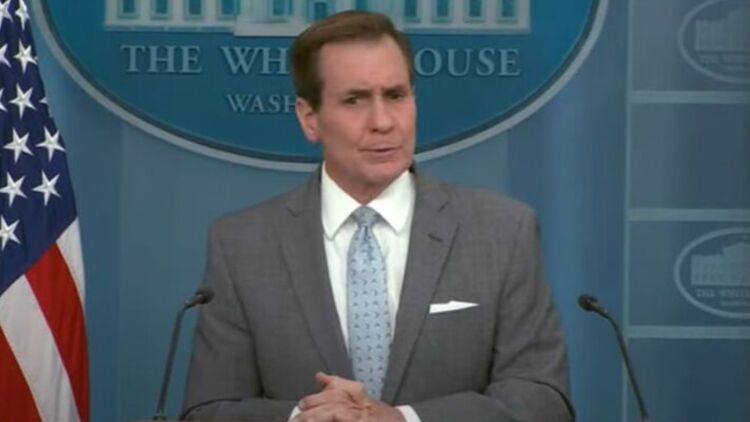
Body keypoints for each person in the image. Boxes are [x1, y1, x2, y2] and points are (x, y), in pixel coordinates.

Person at [182, 10, 572, 422]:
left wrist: (404, 419)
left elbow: (542, 400)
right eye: (355, 100)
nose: (383, 122)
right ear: (309, 118)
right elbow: (208, 412)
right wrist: (303, 417)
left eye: (396, 96)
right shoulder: (241, 245)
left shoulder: (502, 232)